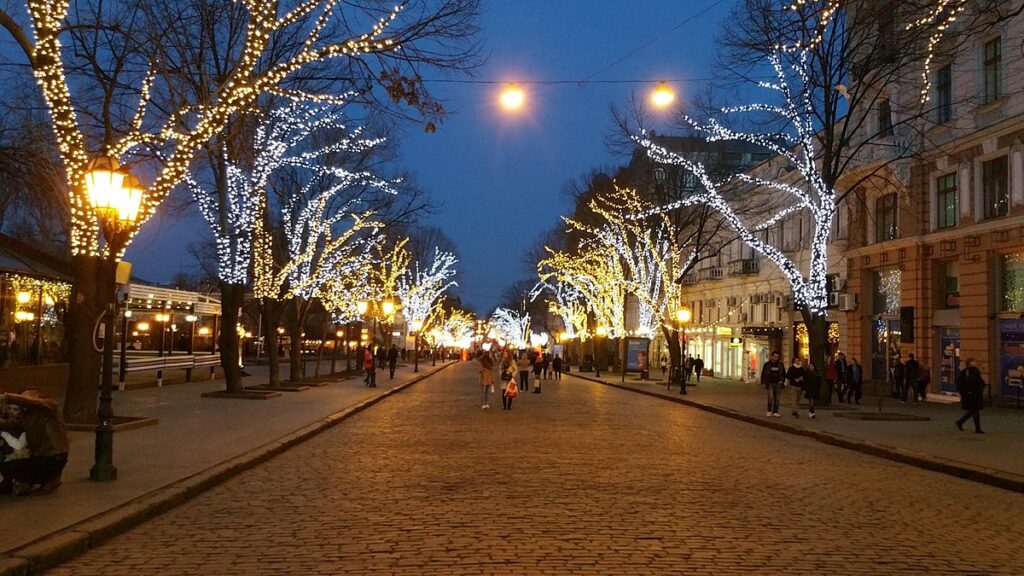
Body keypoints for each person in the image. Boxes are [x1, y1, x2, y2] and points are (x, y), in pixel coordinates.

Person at [0, 389, 69, 496]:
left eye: (25, 399)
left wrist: (7, 397)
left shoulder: (50, 407)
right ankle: (23, 483)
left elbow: (34, 403)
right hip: (40, 456)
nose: (22, 402)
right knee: (9, 465)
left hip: (54, 456)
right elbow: (11, 424)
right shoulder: (27, 416)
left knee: (11, 467)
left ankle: (49, 479)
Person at [955, 357, 985, 433]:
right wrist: (966, 392)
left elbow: (979, 381)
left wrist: (982, 386)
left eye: (975, 361)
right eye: (973, 362)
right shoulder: (965, 372)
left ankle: (960, 422)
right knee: (975, 411)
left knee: (973, 411)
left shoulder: (976, 371)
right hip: (970, 395)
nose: (975, 363)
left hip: (975, 394)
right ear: (969, 363)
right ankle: (977, 429)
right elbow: (961, 384)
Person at [760, 351, 785, 417]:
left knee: (777, 398)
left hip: (778, 383)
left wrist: (782, 381)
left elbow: (783, 373)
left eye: (777, 357)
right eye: (775, 356)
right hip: (770, 383)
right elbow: (763, 374)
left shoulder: (780, 364)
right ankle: (769, 410)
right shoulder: (767, 364)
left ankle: (775, 411)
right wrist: (763, 382)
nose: (776, 358)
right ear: (771, 356)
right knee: (770, 397)